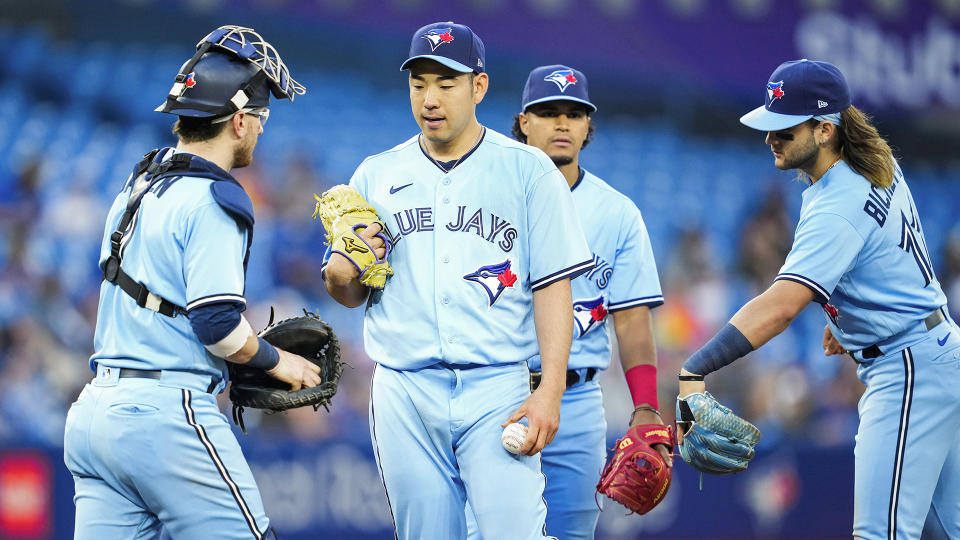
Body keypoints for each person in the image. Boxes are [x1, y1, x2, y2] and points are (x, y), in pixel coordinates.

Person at [321, 22, 593, 540]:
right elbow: (350, 292)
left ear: (479, 87)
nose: (430, 97)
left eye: (446, 83)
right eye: (419, 83)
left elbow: (554, 286)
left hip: (497, 386)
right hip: (404, 386)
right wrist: (337, 277)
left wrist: (551, 389)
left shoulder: (528, 170)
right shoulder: (375, 176)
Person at [676, 59, 959, 540]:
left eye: (785, 128)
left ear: (825, 129)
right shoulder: (873, 163)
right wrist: (849, 316)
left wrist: (694, 370)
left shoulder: (837, 200)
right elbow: (885, 256)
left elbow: (782, 306)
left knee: (881, 535)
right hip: (930, 352)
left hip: (908, 369)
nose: (771, 137)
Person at [63, 26, 321, 540]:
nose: (262, 131)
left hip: (94, 415)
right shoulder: (214, 198)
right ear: (240, 120)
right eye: (262, 119)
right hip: (164, 415)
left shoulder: (137, 185)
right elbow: (218, 326)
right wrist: (279, 362)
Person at [470, 64, 669, 540]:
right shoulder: (483, 197)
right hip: (495, 391)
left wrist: (645, 406)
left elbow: (632, 321)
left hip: (576, 402)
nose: (562, 123)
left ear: (587, 127)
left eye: (574, 113)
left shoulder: (617, 213)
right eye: (548, 112)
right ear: (522, 121)